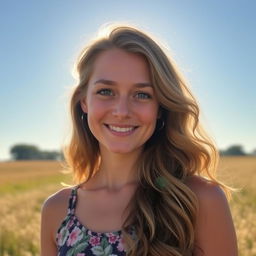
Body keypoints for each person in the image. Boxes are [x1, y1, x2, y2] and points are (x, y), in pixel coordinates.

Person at [40, 23, 238, 256]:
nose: (122, 111)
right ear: (84, 101)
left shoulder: (198, 200)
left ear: (160, 108)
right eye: (106, 91)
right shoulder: (57, 210)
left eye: (142, 95)